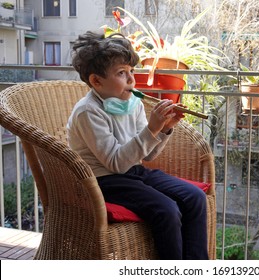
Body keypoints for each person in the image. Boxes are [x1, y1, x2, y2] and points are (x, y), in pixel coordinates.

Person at [67, 31, 208, 260]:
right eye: (122, 73)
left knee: (194, 198)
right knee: (167, 210)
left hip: (134, 171)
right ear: (96, 81)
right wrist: (151, 129)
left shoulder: (132, 103)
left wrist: (164, 128)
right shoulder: (87, 112)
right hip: (105, 180)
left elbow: (149, 155)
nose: (132, 79)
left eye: (131, 71)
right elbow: (116, 163)